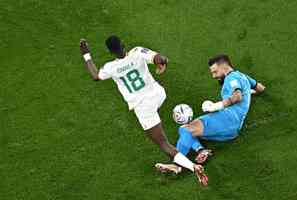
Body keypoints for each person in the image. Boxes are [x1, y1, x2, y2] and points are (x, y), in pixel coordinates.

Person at [79, 35, 208, 186]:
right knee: (156, 98)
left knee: (164, 144)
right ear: (123, 44)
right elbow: (160, 58)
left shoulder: (110, 67)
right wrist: (162, 64)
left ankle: (194, 167)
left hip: (143, 107)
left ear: (110, 52)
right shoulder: (137, 51)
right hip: (158, 94)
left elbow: (95, 76)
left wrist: (86, 54)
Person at [156, 54, 265, 172]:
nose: (213, 76)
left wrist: (216, 106)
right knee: (183, 129)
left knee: (187, 130)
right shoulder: (243, 76)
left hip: (227, 119)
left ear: (224, 67)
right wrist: (248, 92)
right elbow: (260, 88)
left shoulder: (231, 78)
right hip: (232, 129)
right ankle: (201, 150)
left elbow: (237, 97)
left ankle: (176, 165)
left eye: (215, 72)